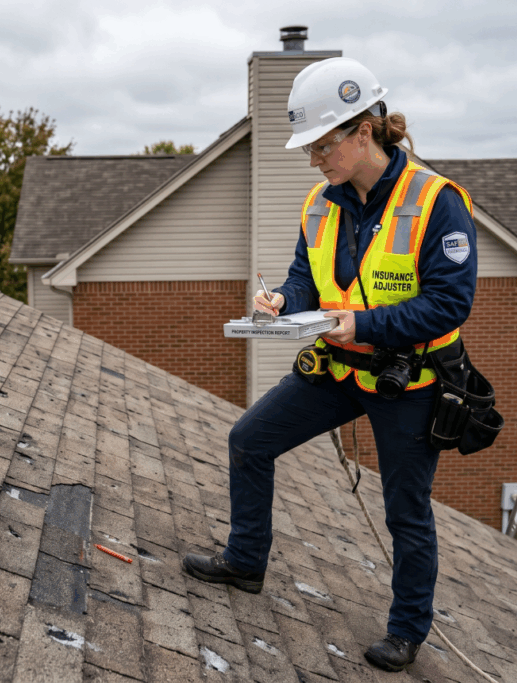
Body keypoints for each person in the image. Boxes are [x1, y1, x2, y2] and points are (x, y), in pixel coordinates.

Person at [182, 57, 478, 673]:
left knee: (406, 510)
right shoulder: (320, 203)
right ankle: (245, 562)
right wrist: (281, 302)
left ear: (362, 131)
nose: (313, 159)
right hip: (339, 366)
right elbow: (304, 281)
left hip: (410, 381)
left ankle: (406, 631)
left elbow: (451, 304)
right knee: (249, 440)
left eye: (321, 145)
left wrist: (364, 324)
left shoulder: (436, 201)